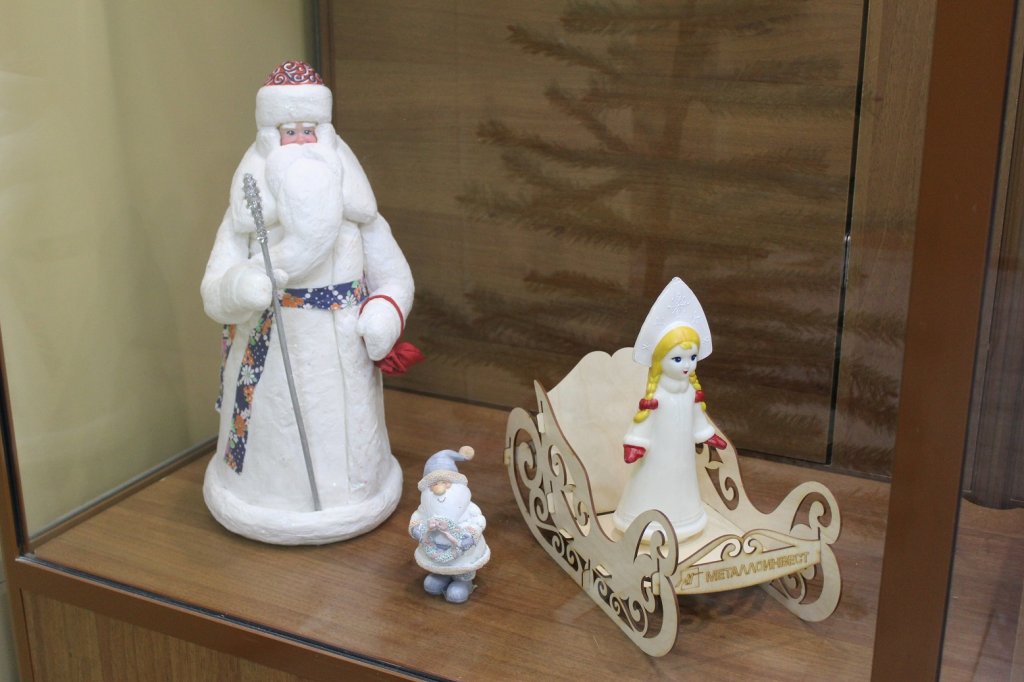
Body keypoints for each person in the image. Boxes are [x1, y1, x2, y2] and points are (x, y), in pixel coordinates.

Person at [200, 61, 414, 545]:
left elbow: (394, 276)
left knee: (344, 438)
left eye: (308, 130)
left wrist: (384, 311)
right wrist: (241, 287)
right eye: (288, 131)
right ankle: (265, 497)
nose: (299, 142)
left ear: (327, 133)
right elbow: (215, 289)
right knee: (280, 444)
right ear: (268, 138)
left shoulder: (356, 212)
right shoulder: (248, 218)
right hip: (273, 353)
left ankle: (355, 493)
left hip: (343, 352)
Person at [612, 279, 727, 542]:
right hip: (657, 458)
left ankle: (686, 520)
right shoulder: (656, 397)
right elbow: (643, 421)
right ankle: (644, 524)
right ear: (660, 360)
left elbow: (697, 418)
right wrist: (636, 444)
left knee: (683, 483)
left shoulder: (690, 392)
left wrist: (707, 434)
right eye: (677, 359)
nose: (687, 365)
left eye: (692, 358)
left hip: (682, 457)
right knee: (652, 483)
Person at [409, 447, 490, 603]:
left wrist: (470, 536)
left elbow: (478, 520)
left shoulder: (468, 507)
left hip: (462, 550)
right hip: (435, 548)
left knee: (462, 567)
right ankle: (441, 575)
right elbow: (417, 519)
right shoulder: (425, 507)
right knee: (433, 580)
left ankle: (463, 581)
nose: (439, 489)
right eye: (434, 484)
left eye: (445, 483)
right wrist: (418, 529)